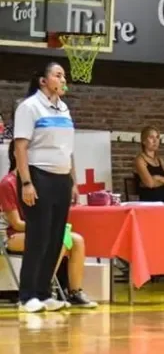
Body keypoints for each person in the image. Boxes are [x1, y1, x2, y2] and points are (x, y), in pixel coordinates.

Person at [12, 62, 78, 313]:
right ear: (43, 80)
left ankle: (43, 292)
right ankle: (26, 295)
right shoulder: (29, 107)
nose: (63, 79)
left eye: (64, 75)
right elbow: (20, 148)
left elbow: (68, 150)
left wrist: (73, 182)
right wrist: (26, 182)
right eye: (57, 75)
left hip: (62, 179)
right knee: (38, 237)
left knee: (55, 237)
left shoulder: (64, 108)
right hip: (38, 176)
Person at [1, 141, 96, 307]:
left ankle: (74, 292)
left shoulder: (40, 181)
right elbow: (15, 223)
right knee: (50, 239)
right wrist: (44, 226)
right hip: (11, 235)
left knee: (76, 240)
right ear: (17, 154)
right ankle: (42, 288)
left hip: (35, 230)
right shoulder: (7, 183)